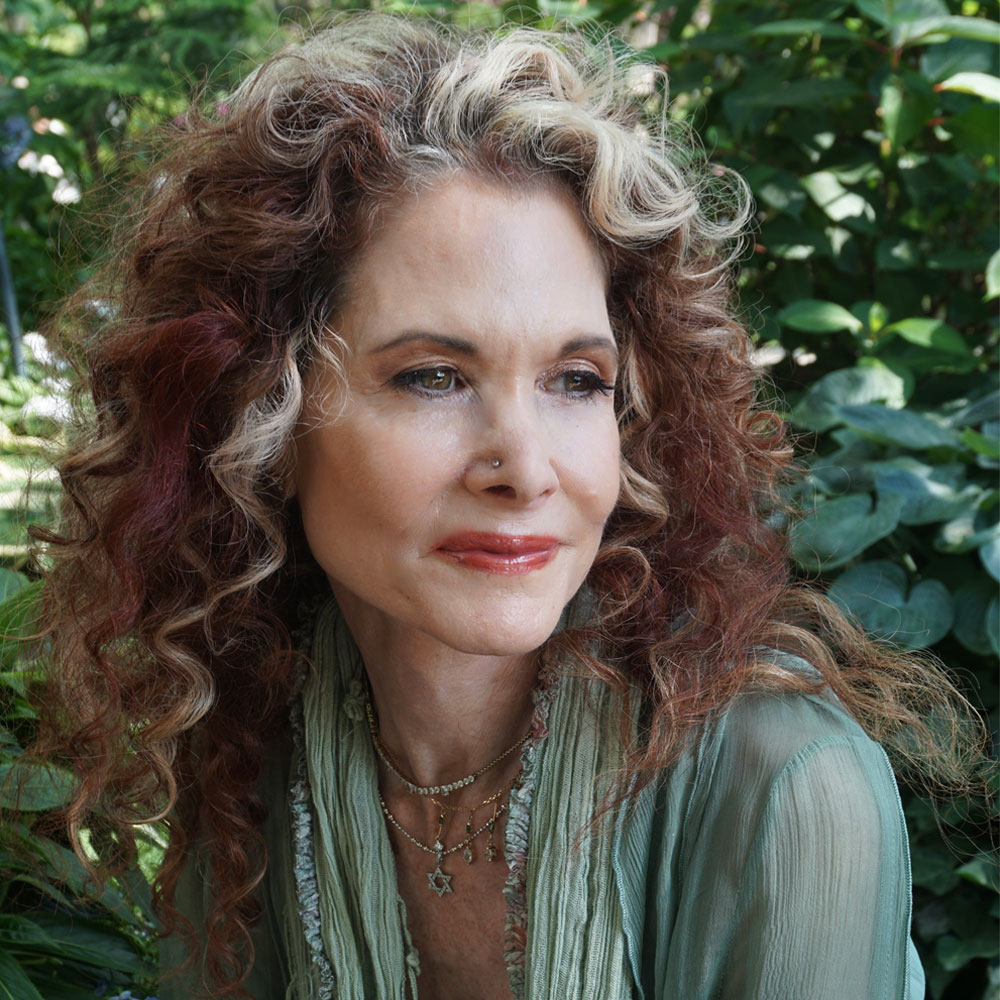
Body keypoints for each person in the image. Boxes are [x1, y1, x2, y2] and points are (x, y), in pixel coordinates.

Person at [27, 12, 980, 1000]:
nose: (525, 470)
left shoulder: (785, 787)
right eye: (433, 377)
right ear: (260, 416)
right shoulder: (243, 742)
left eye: (576, 380)